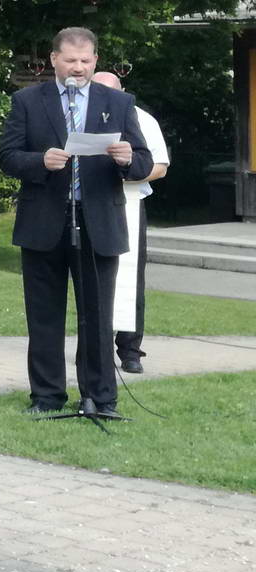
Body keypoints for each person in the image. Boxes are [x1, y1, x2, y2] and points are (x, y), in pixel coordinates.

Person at [0, 27, 153, 419]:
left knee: (97, 317)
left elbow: (144, 161)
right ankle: (46, 397)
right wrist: (39, 161)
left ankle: (101, 398)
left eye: (85, 61)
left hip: (98, 222)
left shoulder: (118, 102)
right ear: (54, 60)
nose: (78, 68)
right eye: (70, 61)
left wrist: (127, 160)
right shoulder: (27, 101)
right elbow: (7, 156)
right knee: (44, 316)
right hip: (43, 221)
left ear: (95, 61)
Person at [89, 71, 170, 376]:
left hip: (129, 201)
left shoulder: (143, 120)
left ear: (122, 91)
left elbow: (160, 166)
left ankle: (130, 349)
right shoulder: (80, 117)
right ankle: (94, 347)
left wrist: (128, 174)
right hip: (92, 202)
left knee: (130, 277)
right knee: (92, 274)